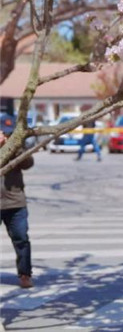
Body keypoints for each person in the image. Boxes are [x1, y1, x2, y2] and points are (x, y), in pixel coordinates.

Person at [0, 115, 35, 289]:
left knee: (21, 239)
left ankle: (25, 274)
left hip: (15, 202)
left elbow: (28, 163)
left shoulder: (16, 146)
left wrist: (13, 148)